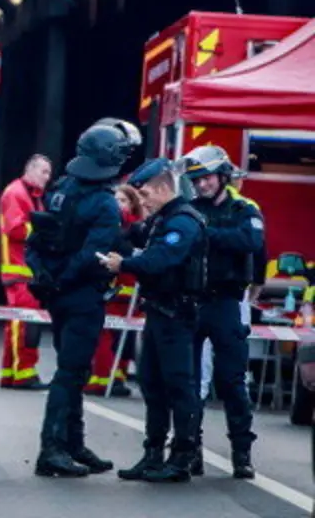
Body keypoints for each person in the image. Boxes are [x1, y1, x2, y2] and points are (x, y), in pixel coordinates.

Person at [26, 123, 136, 477]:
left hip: (57, 295)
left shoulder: (61, 189)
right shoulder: (105, 203)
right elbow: (93, 254)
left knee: (72, 369)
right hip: (82, 295)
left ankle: (73, 443)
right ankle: (52, 449)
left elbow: (37, 239)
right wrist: (64, 281)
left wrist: (46, 277)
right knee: (71, 372)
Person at [102, 158, 207, 483]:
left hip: (178, 315)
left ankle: (182, 457)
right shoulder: (162, 219)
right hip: (159, 312)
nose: (142, 200)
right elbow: (134, 236)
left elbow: (162, 258)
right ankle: (152, 454)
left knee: (179, 387)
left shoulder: (184, 222)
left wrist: (126, 264)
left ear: (163, 188)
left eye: (145, 193)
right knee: (151, 384)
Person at [180, 145, 261, 479]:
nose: (201, 185)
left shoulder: (243, 209)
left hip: (227, 303)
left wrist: (206, 235)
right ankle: (190, 451)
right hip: (195, 302)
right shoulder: (189, 210)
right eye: (196, 180)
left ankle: (241, 453)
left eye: (207, 178)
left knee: (231, 381)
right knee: (189, 382)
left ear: (223, 176)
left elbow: (250, 242)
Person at [0, 154, 52, 390]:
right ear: (29, 170)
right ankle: (24, 373)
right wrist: (46, 231)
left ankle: (10, 372)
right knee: (26, 324)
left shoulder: (30, 195)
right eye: (43, 172)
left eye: (49, 173)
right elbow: (16, 229)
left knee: (18, 324)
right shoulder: (17, 193)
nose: (47, 178)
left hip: (23, 271)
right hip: (20, 270)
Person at [85, 184, 144, 397]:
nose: (118, 205)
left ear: (132, 204)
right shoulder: (116, 225)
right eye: (116, 200)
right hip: (116, 288)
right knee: (110, 335)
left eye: (123, 201)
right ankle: (107, 377)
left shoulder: (133, 228)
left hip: (126, 289)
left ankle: (111, 377)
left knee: (116, 336)